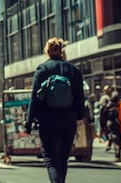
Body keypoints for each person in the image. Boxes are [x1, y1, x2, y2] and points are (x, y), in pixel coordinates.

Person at [26, 37, 86, 183]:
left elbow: (34, 97)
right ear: (61, 51)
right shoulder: (74, 70)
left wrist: (29, 121)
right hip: (68, 120)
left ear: (47, 51)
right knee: (63, 159)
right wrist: (79, 116)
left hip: (47, 121)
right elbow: (80, 96)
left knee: (51, 159)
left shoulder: (42, 69)